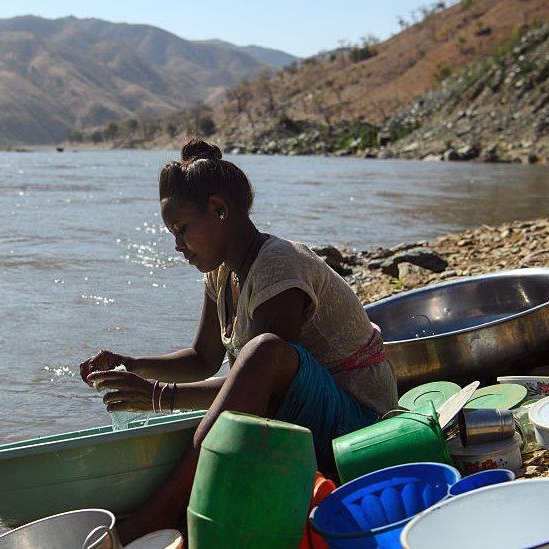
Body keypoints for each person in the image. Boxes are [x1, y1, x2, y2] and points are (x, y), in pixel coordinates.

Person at [80, 139, 398, 542]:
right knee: (222, 407)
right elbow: (202, 358)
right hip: (308, 417)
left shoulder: (278, 266)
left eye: (181, 230)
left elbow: (261, 377)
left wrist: (160, 396)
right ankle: (159, 511)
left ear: (219, 209)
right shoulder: (221, 273)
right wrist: (131, 363)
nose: (178, 246)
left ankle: (153, 520)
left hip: (361, 426)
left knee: (263, 352)